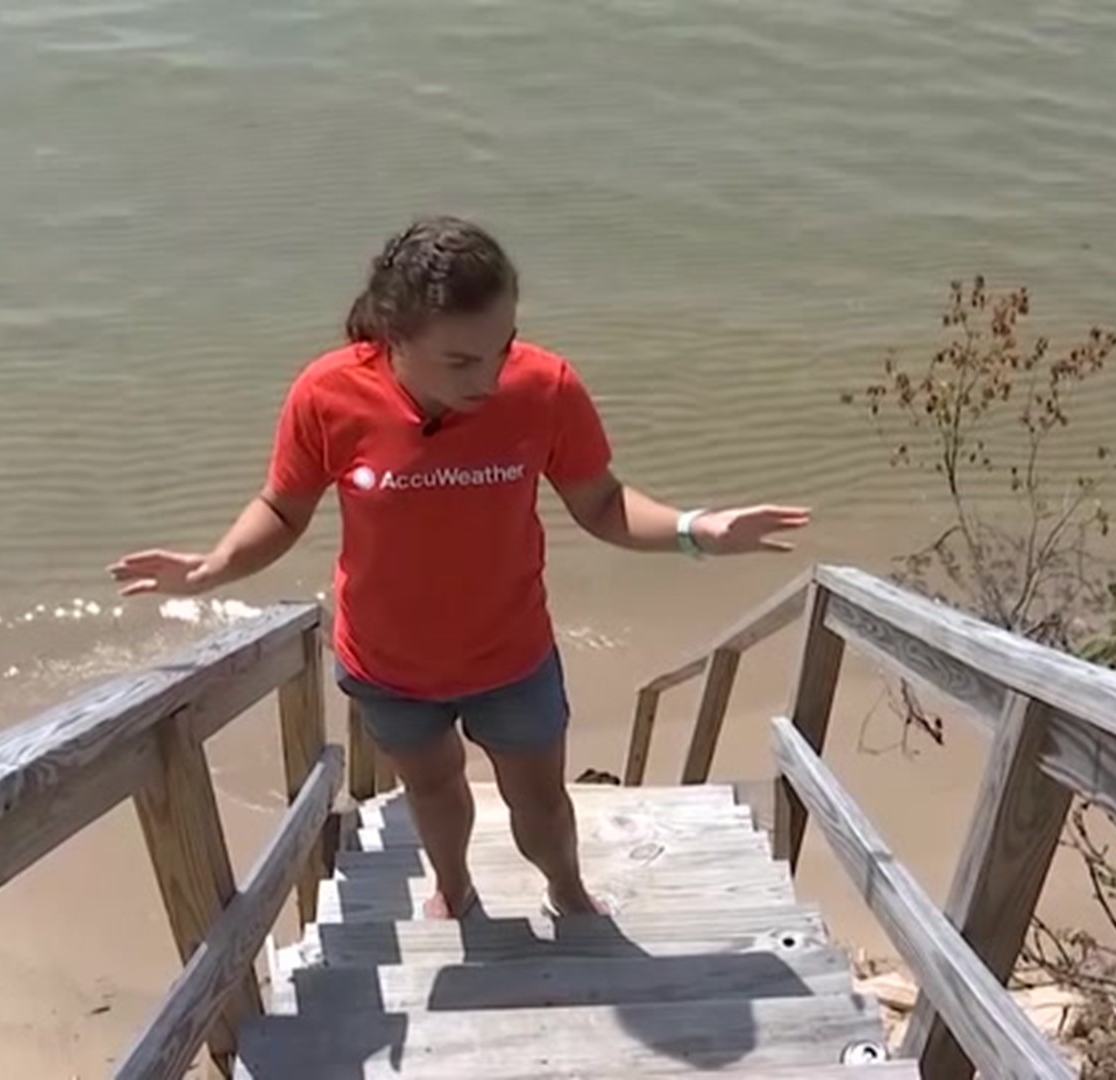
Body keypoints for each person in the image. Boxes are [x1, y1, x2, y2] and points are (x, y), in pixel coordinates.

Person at [107, 215, 810, 920]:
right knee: (434, 790)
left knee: (538, 798)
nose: (490, 376)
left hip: (512, 655)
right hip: (389, 665)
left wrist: (696, 530)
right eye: (461, 362)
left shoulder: (544, 387)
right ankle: (454, 886)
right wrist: (215, 566)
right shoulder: (328, 395)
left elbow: (601, 503)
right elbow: (283, 509)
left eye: (501, 348)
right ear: (393, 341)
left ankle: (565, 888)